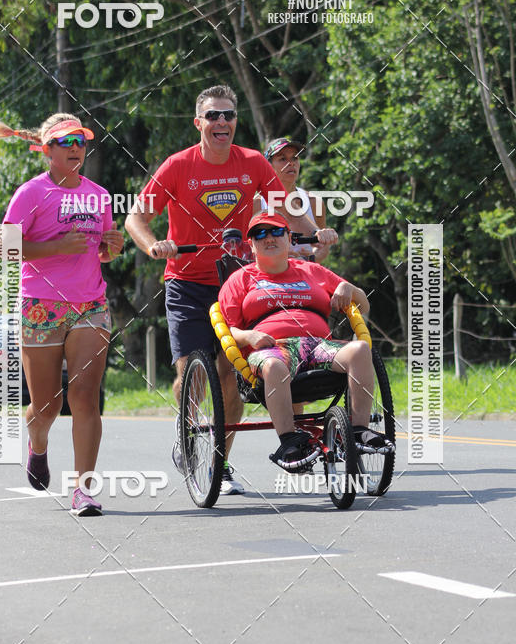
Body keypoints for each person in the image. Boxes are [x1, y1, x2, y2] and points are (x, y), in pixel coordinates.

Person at [125, 85, 315, 495]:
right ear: (199, 123)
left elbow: (286, 208)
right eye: (213, 116)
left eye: (228, 115)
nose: (222, 122)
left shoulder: (250, 162)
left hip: (236, 281)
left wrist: (315, 235)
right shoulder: (177, 166)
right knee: (191, 374)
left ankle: (219, 464)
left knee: (229, 377)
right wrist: (153, 244)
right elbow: (135, 218)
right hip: (187, 282)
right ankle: (187, 427)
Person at [0, 113, 124, 516]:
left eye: (80, 141)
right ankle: (38, 444)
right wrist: (56, 247)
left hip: (89, 305)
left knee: (85, 396)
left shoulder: (99, 195)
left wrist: (110, 247)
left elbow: (100, 252)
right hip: (39, 305)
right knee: (47, 406)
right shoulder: (30, 193)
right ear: (46, 150)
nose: (75, 148)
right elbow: (4, 249)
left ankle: (83, 489)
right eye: (65, 142)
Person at [218, 211, 389, 469]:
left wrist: (348, 289)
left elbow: (362, 303)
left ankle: (358, 432)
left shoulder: (311, 270)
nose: (269, 238)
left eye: (276, 232)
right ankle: (289, 441)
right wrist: (250, 336)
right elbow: (229, 330)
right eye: (260, 234)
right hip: (272, 348)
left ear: (288, 238)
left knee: (360, 350)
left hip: (317, 345)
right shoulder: (239, 279)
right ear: (251, 245)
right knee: (275, 366)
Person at [260, 136, 334, 263]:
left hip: (306, 277)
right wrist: (279, 257)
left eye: (295, 158)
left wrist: (308, 259)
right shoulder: (257, 203)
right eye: (282, 159)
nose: (291, 163)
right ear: (269, 166)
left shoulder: (314, 202)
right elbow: (247, 249)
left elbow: (322, 247)